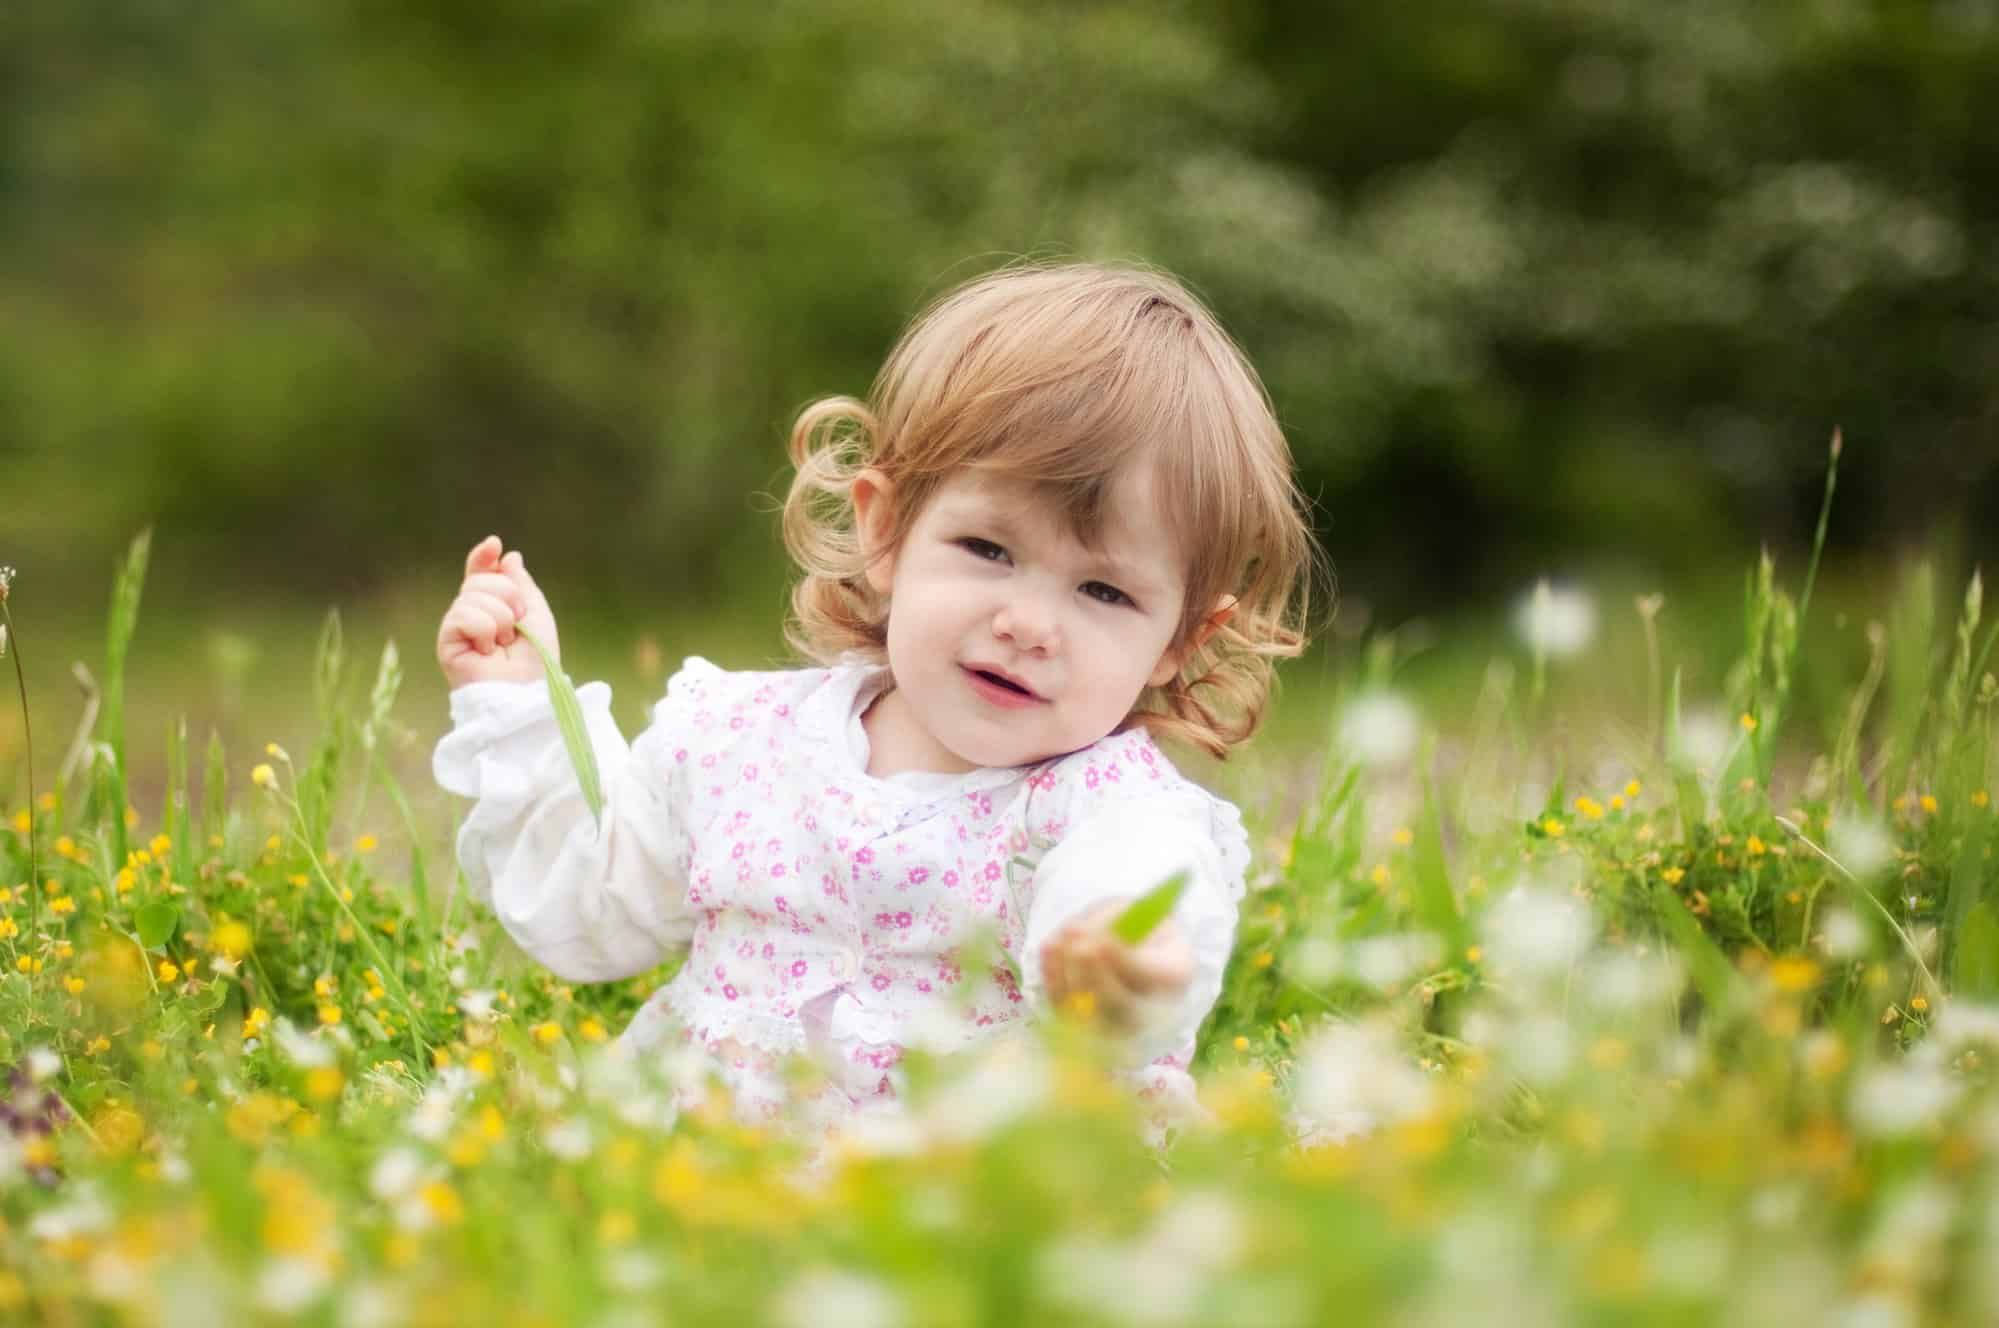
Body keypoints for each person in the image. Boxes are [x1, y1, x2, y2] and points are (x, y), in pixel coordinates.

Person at [432, 261, 1317, 1145]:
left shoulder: (1107, 812)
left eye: (1104, 594)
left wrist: (1120, 965)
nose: (1028, 624)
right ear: (885, 531)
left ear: (1178, 642)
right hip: (701, 1177)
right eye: (988, 549)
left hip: (956, 1208)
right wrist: (521, 712)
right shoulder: (741, 740)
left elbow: (1126, 889)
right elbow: (594, 911)